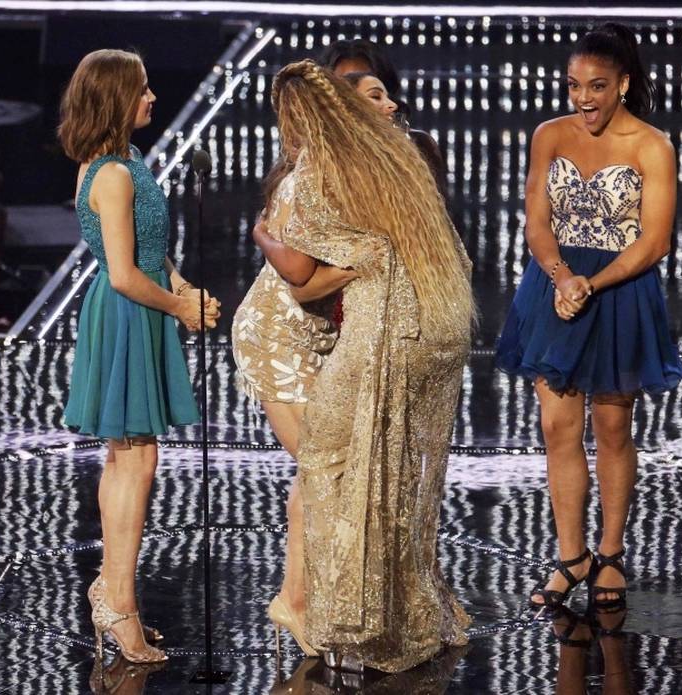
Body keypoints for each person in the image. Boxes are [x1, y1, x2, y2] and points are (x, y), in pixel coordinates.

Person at [256, 59, 474, 673]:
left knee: (339, 469)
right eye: (375, 96)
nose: (390, 106)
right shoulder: (400, 159)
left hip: (372, 330)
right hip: (394, 329)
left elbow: (299, 276)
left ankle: (352, 622)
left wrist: (262, 236)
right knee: (369, 471)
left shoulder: (325, 171)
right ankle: (374, 611)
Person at [495, 23, 682, 614]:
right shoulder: (549, 135)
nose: (583, 98)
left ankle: (610, 553)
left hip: (620, 291)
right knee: (557, 427)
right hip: (554, 287)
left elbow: (655, 242)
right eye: (574, 85)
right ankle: (571, 556)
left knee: (611, 427)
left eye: (596, 86)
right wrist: (560, 277)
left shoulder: (652, 146)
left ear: (622, 84)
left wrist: (592, 284)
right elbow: (536, 222)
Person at [230, 65, 401, 658]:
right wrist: (365, 262)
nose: (390, 106)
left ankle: (306, 599)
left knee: (324, 471)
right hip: (277, 336)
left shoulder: (354, 169)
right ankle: (298, 601)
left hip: (320, 338)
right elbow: (300, 279)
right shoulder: (309, 177)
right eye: (374, 97)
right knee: (324, 469)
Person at [57, 49, 220, 663]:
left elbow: (147, 248)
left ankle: (113, 592)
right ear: (113, 99)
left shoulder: (125, 159)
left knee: (129, 457)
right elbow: (123, 273)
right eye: (142, 89)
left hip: (142, 307)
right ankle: (118, 605)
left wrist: (179, 284)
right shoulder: (111, 174)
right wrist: (179, 308)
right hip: (128, 314)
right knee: (136, 458)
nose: (152, 97)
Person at [320, 39, 448, 198]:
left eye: (367, 81)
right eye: (344, 84)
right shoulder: (312, 149)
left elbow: (439, 208)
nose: (351, 94)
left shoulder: (419, 144)